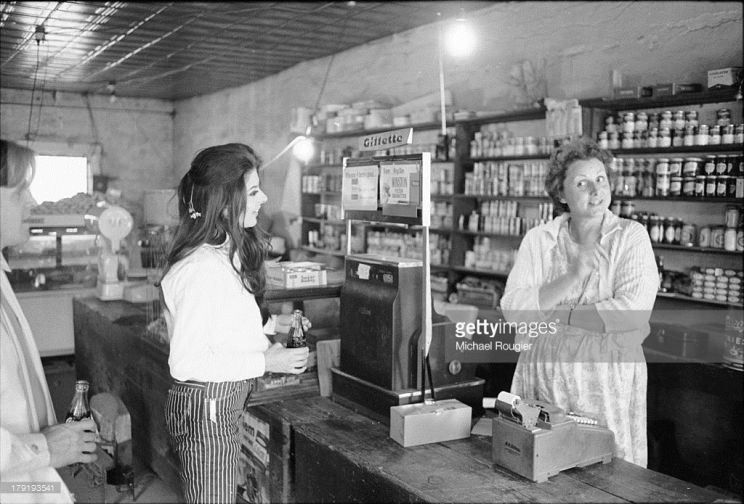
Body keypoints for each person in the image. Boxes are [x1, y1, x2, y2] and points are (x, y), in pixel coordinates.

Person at [159, 142, 309, 503]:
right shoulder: (201, 270)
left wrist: (273, 327)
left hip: (221, 399)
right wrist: (267, 361)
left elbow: (223, 323)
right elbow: (187, 363)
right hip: (209, 403)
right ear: (226, 201)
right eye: (254, 190)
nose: (264, 197)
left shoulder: (222, 252)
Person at [500, 137, 658, 467]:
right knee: (542, 465)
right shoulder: (539, 240)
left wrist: (559, 312)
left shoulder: (630, 237)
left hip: (606, 377)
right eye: (582, 183)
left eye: (600, 179)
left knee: (606, 470)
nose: (596, 190)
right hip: (544, 373)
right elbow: (515, 310)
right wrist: (570, 277)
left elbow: (632, 311)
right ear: (561, 193)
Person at [0, 139, 98, 503]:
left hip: (25, 482)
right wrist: (44, 448)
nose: (34, 203)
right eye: (20, 191)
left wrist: (48, 446)